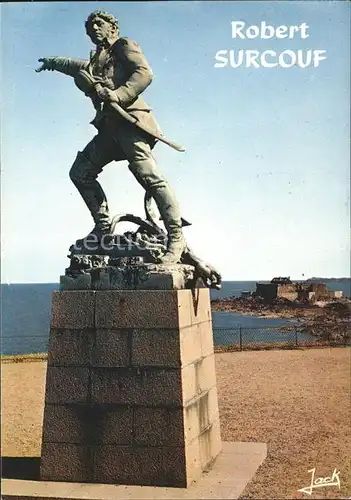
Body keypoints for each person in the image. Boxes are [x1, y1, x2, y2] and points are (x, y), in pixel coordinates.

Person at [36, 10, 185, 264]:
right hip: (108, 130)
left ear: (112, 27)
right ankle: (103, 227)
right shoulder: (96, 60)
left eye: (99, 23)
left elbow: (144, 73)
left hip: (130, 124)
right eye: (90, 26)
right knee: (80, 172)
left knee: (150, 177)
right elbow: (76, 68)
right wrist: (51, 62)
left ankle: (176, 237)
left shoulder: (123, 46)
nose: (94, 28)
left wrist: (119, 94)